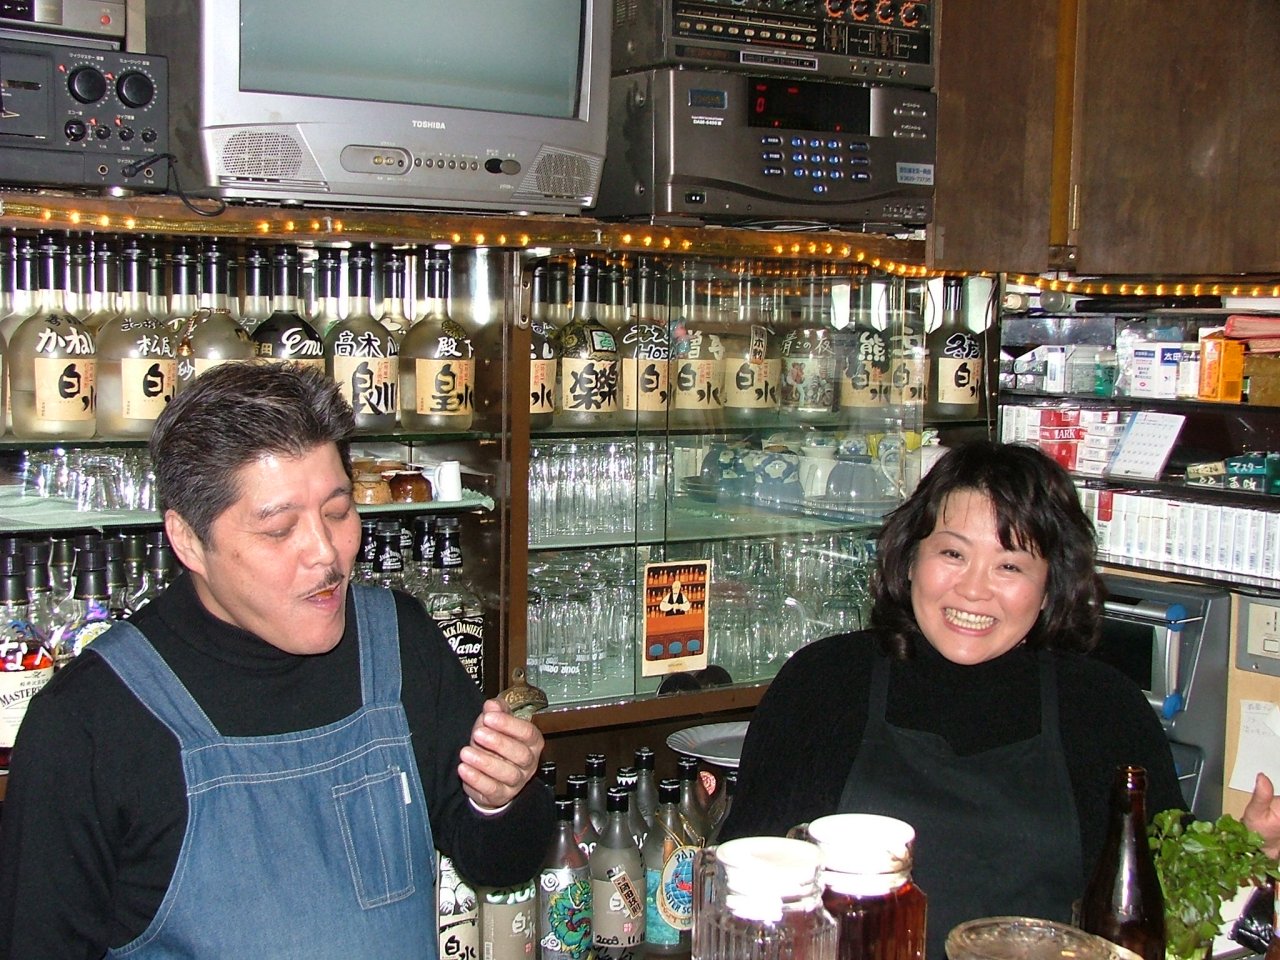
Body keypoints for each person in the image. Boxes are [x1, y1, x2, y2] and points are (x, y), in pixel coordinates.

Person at [0, 362, 555, 959]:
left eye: (338, 512)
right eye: (280, 529)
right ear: (188, 540)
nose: (326, 554)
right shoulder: (86, 723)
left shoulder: (399, 640)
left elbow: (500, 864)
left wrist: (500, 799)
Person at [721, 439, 1280, 959]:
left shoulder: (1103, 708)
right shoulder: (824, 683)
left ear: (1050, 585)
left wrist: (1244, 856)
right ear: (910, 558)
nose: (973, 589)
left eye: (1010, 565)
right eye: (953, 554)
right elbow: (745, 890)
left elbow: (1162, 906)